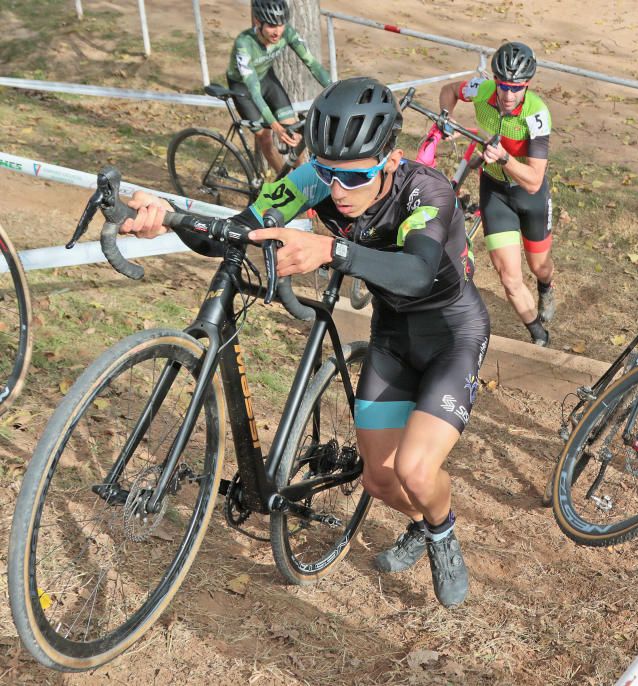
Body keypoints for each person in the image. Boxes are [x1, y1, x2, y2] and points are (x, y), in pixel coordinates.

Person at [122, 77, 490, 608]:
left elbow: (415, 273)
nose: (338, 189)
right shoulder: (313, 179)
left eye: (355, 175)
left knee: (414, 468)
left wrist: (331, 251)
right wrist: (169, 218)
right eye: (327, 172)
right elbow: (237, 229)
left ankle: (442, 531)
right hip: (392, 336)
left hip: (452, 334)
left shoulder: (426, 190)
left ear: (390, 158)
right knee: (380, 481)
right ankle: (420, 524)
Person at [438, 41, 556, 346]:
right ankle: (538, 334)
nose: (507, 95)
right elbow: (450, 91)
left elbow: (533, 180)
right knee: (509, 277)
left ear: (527, 85)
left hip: (530, 195)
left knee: (540, 267)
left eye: (516, 88)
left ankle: (546, 286)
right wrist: (445, 117)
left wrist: (505, 158)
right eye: (502, 86)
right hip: (495, 192)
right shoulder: (481, 89)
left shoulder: (537, 114)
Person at [226, 0, 331, 175]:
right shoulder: (244, 43)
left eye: (281, 24)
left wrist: (334, 88)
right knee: (266, 138)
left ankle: (304, 179)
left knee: (293, 132)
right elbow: (254, 91)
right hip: (243, 88)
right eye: (272, 26)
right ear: (259, 22)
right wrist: (275, 126)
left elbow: (312, 63)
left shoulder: (287, 33)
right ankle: (285, 181)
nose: (277, 31)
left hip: (266, 78)